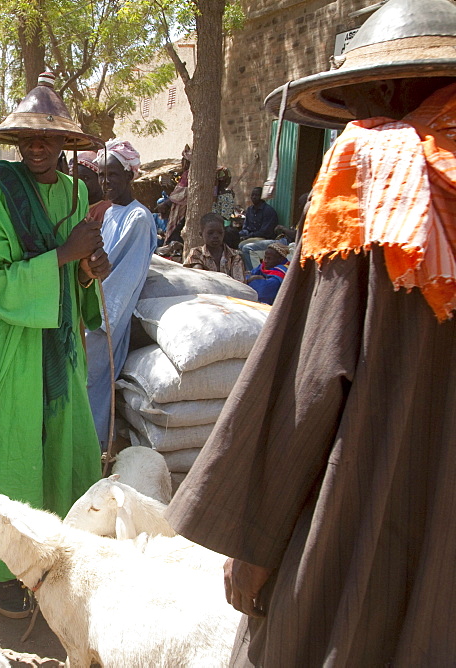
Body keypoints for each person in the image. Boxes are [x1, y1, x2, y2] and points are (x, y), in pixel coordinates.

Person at [165, 0, 456, 663]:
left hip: (375, 509)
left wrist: (254, 540)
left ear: (381, 89)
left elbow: (309, 375)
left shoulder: (375, 172)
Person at [0, 73, 109, 616]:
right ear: (15, 143)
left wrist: (89, 268)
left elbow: (79, 276)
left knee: (59, 447)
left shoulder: (78, 192)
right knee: (5, 450)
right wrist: (65, 254)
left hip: (57, 345)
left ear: (65, 144)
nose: (38, 147)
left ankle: (49, 554)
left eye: (49, 138)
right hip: (6, 344)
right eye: (28, 138)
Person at [85, 140, 158, 450]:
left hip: (104, 321)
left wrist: (98, 319)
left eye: (113, 175)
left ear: (130, 176)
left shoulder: (138, 219)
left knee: (94, 387)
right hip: (89, 312)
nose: (106, 182)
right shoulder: (110, 212)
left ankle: (93, 450)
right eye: (102, 175)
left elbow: (126, 279)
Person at [184, 213, 247, 281]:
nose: (216, 236)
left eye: (220, 232)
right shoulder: (197, 253)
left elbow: (239, 282)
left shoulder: (234, 256)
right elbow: (197, 279)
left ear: (224, 233)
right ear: (201, 234)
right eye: (210, 233)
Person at [238, 186, 280, 268]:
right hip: (251, 237)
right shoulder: (250, 210)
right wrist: (241, 234)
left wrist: (248, 236)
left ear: (262, 197)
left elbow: (264, 232)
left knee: (243, 246)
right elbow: (246, 227)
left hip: (264, 238)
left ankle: (253, 270)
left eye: (256, 195)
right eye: (252, 195)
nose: (254, 197)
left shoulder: (268, 211)